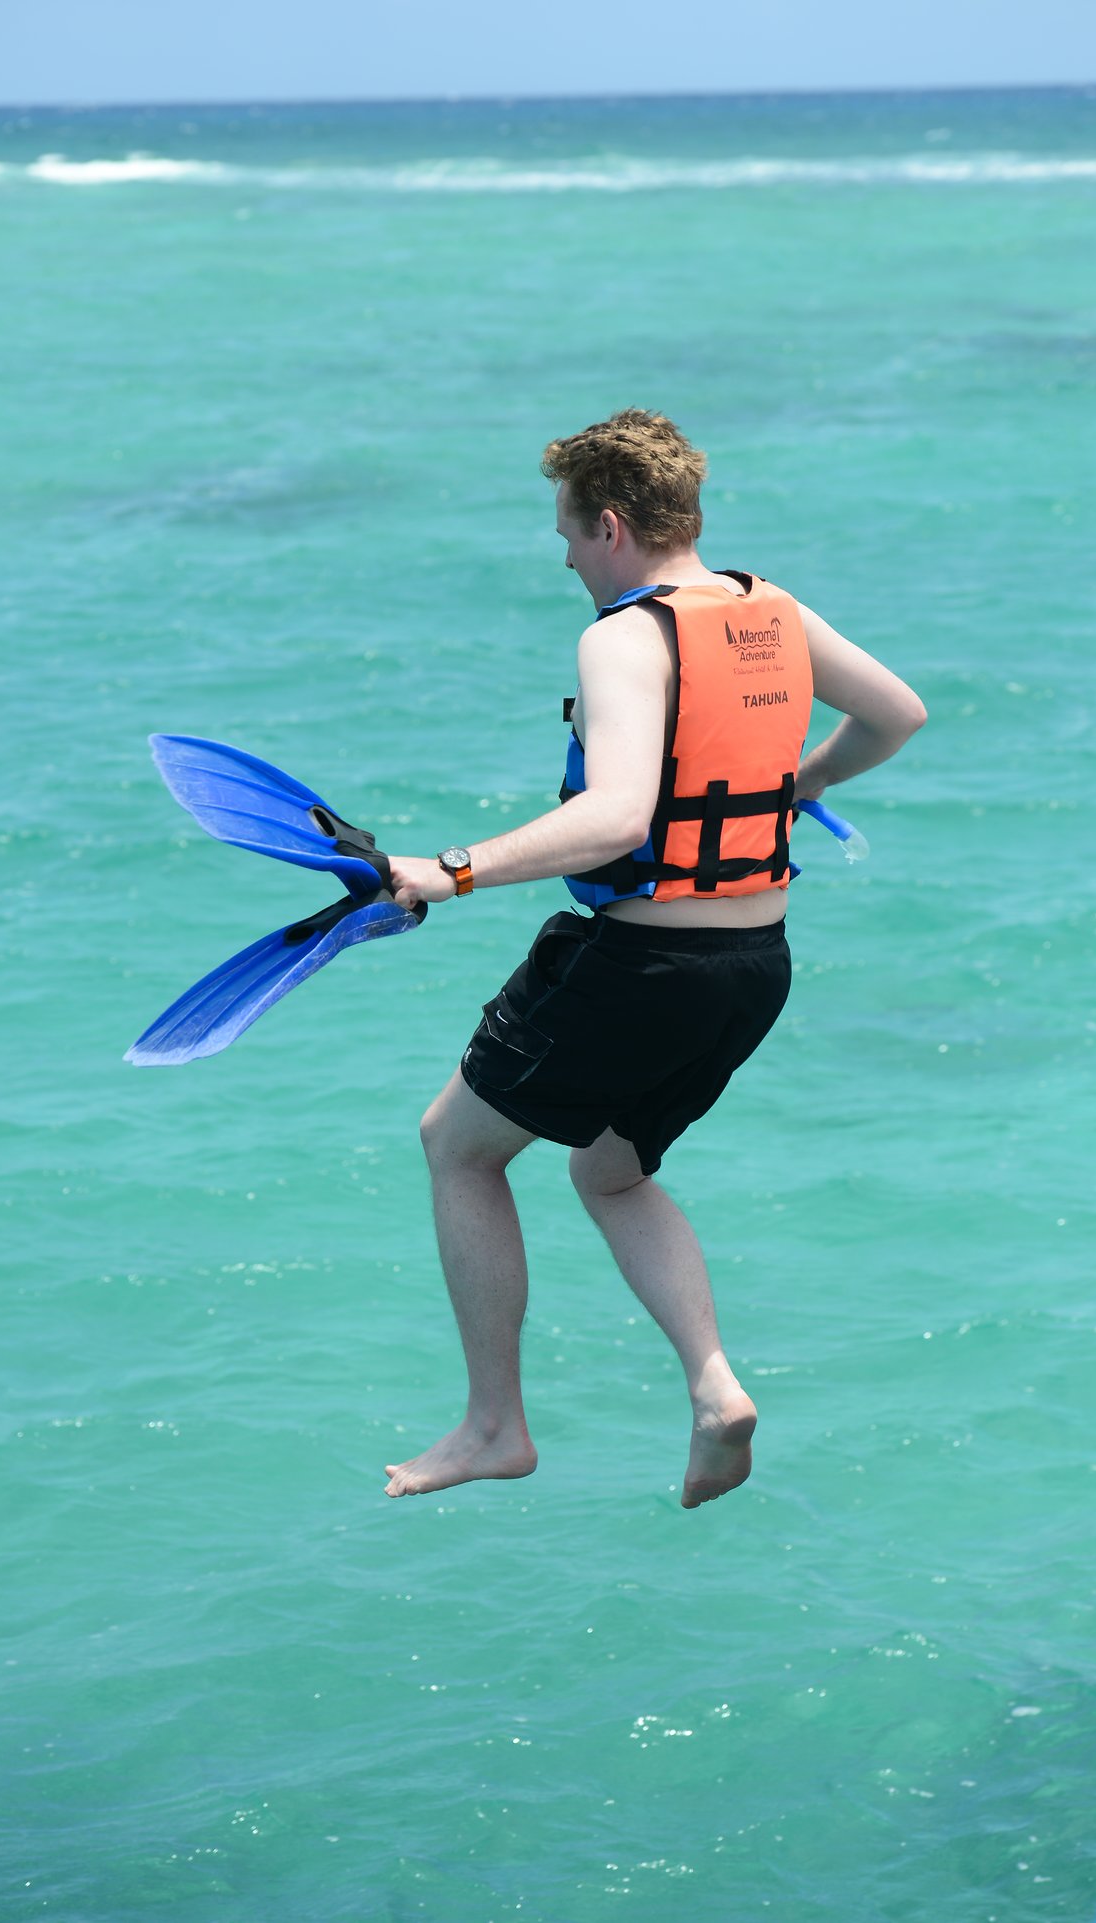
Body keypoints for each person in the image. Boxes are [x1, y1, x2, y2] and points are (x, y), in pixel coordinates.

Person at [384, 410, 925, 1506]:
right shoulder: (766, 608)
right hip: (752, 969)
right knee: (610, 1170)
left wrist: (451, 868)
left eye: (571, 539)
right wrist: (802, 784)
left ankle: (494, 1426)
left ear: (614, 526)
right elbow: (895, 715)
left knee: (457, 1146)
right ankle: (713, 1387)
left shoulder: (624, 636)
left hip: (641, 968)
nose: (570, 561)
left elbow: (618, 820)